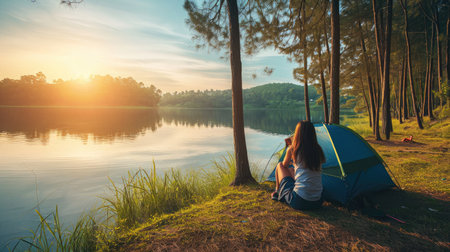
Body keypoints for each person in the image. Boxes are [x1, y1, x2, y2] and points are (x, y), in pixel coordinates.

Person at [271, 120, 325, 210]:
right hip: (317, 201)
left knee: (279, 165)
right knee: (292, 170)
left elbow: (284, 165)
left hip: (300, 201)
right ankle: (281, 191)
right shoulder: (318, 150)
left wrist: (289, 147)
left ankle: (277, 191)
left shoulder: (293, 149)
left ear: (297, 134)